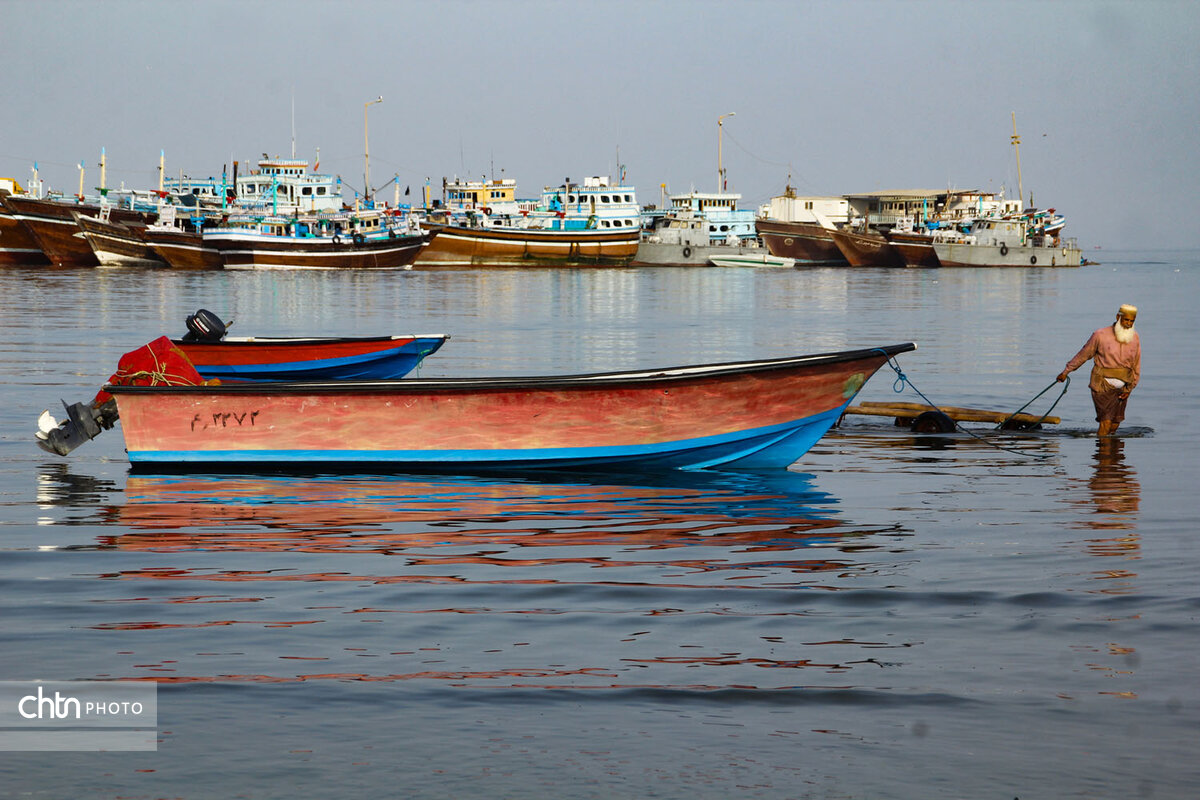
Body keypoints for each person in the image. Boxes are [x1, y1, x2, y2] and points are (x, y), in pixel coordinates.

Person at [1057, 304, 1141, 436]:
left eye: (1132, 321)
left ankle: (1110, 454)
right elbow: (1083, 355)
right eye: (1126, 320)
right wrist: (1066, 371)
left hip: (1123, 387)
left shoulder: (1134, 337)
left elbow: (1136, 364)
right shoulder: (1100, 335)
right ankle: (1102, 453)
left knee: (1114, 424)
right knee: (1106, 422)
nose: (1128, 324)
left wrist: (1130, 388)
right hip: (1102, 385)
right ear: (1118, 317)